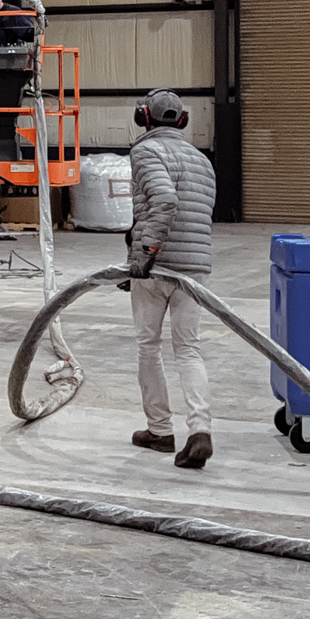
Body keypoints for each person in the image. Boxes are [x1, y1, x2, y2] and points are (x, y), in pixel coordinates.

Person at [126, 88, 217, 469]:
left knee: (149, 346)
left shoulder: (146, 151)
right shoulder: (202, 161)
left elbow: (164, 199)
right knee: (189, 349)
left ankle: (160, 430)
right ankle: (200, 430)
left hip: (157, 267)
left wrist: (147, 250)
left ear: (143, 117)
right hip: (194, 268)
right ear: (181, 121)